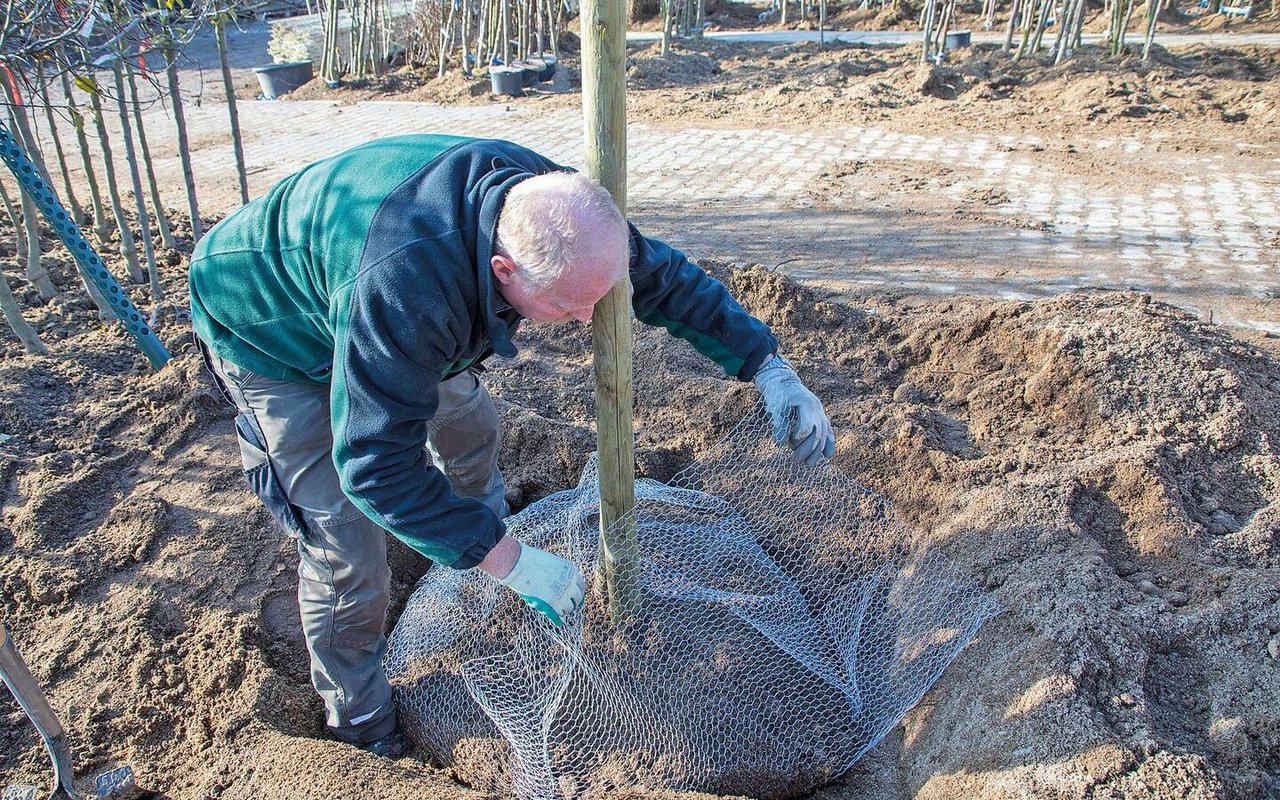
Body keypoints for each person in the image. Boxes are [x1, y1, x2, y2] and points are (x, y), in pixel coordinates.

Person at [188, 134, 835, 758]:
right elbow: (374, 466)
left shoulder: (558, 213)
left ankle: (478, 557)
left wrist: (769, 368)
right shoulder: (406, 294)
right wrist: (510, 561)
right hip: (268, 332)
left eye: (594, 301)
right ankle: (359, 718)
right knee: (345, 542)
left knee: (470, 425)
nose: (587, 321)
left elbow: (664, 279)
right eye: (566, 306)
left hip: (374, 296)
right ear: (503, 271)